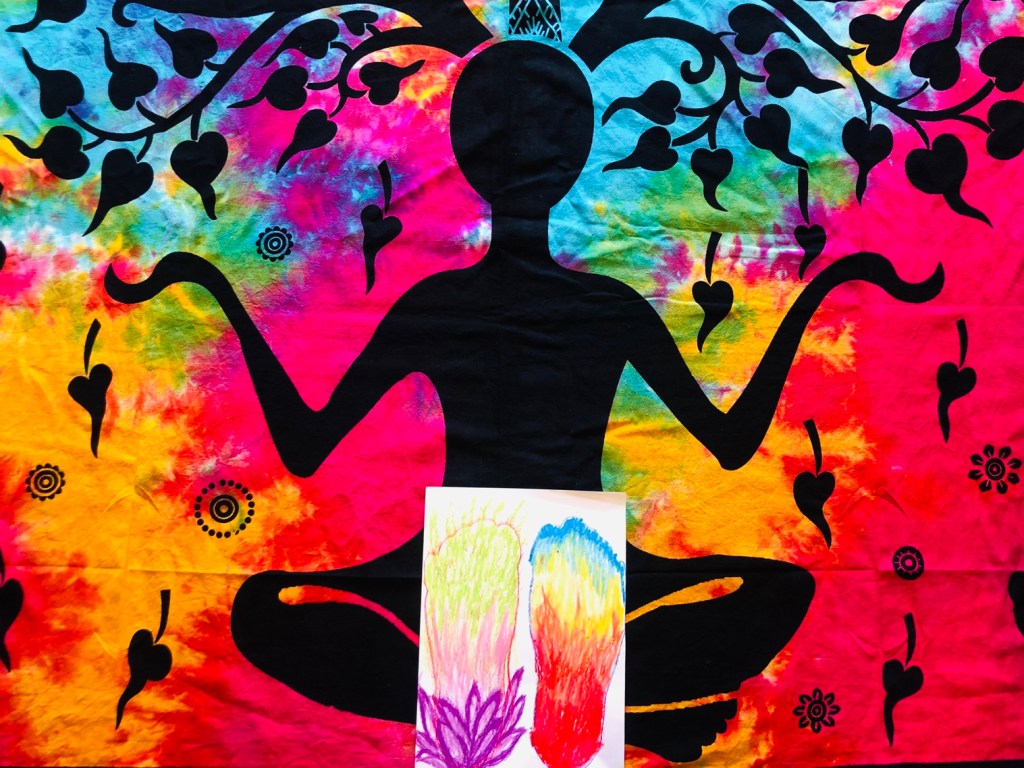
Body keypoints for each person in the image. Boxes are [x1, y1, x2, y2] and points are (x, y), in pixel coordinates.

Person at [107, 39, 942, 762]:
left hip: (552, 562)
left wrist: (217, 288)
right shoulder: (599, 303)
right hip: (493, 560)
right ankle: (611, 714)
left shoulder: (454, 303)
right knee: (262, 610)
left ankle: (510, 705)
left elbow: (303, 445)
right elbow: (729, 443)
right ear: (576, 158)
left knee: (780, 591)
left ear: (466, 156)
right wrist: (823, 287)